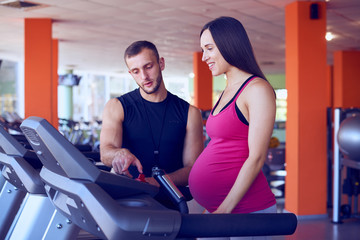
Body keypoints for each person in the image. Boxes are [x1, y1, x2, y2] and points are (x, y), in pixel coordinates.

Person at [188, 16, 277, 239]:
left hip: (247, 212)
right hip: (219, 210)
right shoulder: (226, 91)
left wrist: (225, 209)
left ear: (230, 44)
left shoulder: (257, 89)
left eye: (209, 48)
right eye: (203, 49)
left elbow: (256, 157)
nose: (204, 57)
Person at [100, 40, 204, 208]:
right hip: (128, 202)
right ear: (130, 73)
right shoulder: (117, 106)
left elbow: (192, 169)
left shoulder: (190, 113)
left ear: (161, 63)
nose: (144, 76)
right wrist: (119, 154)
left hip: (172, 203)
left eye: (148, 67)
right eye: (136, 71)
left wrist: (158, 181)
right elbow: (106, 152)